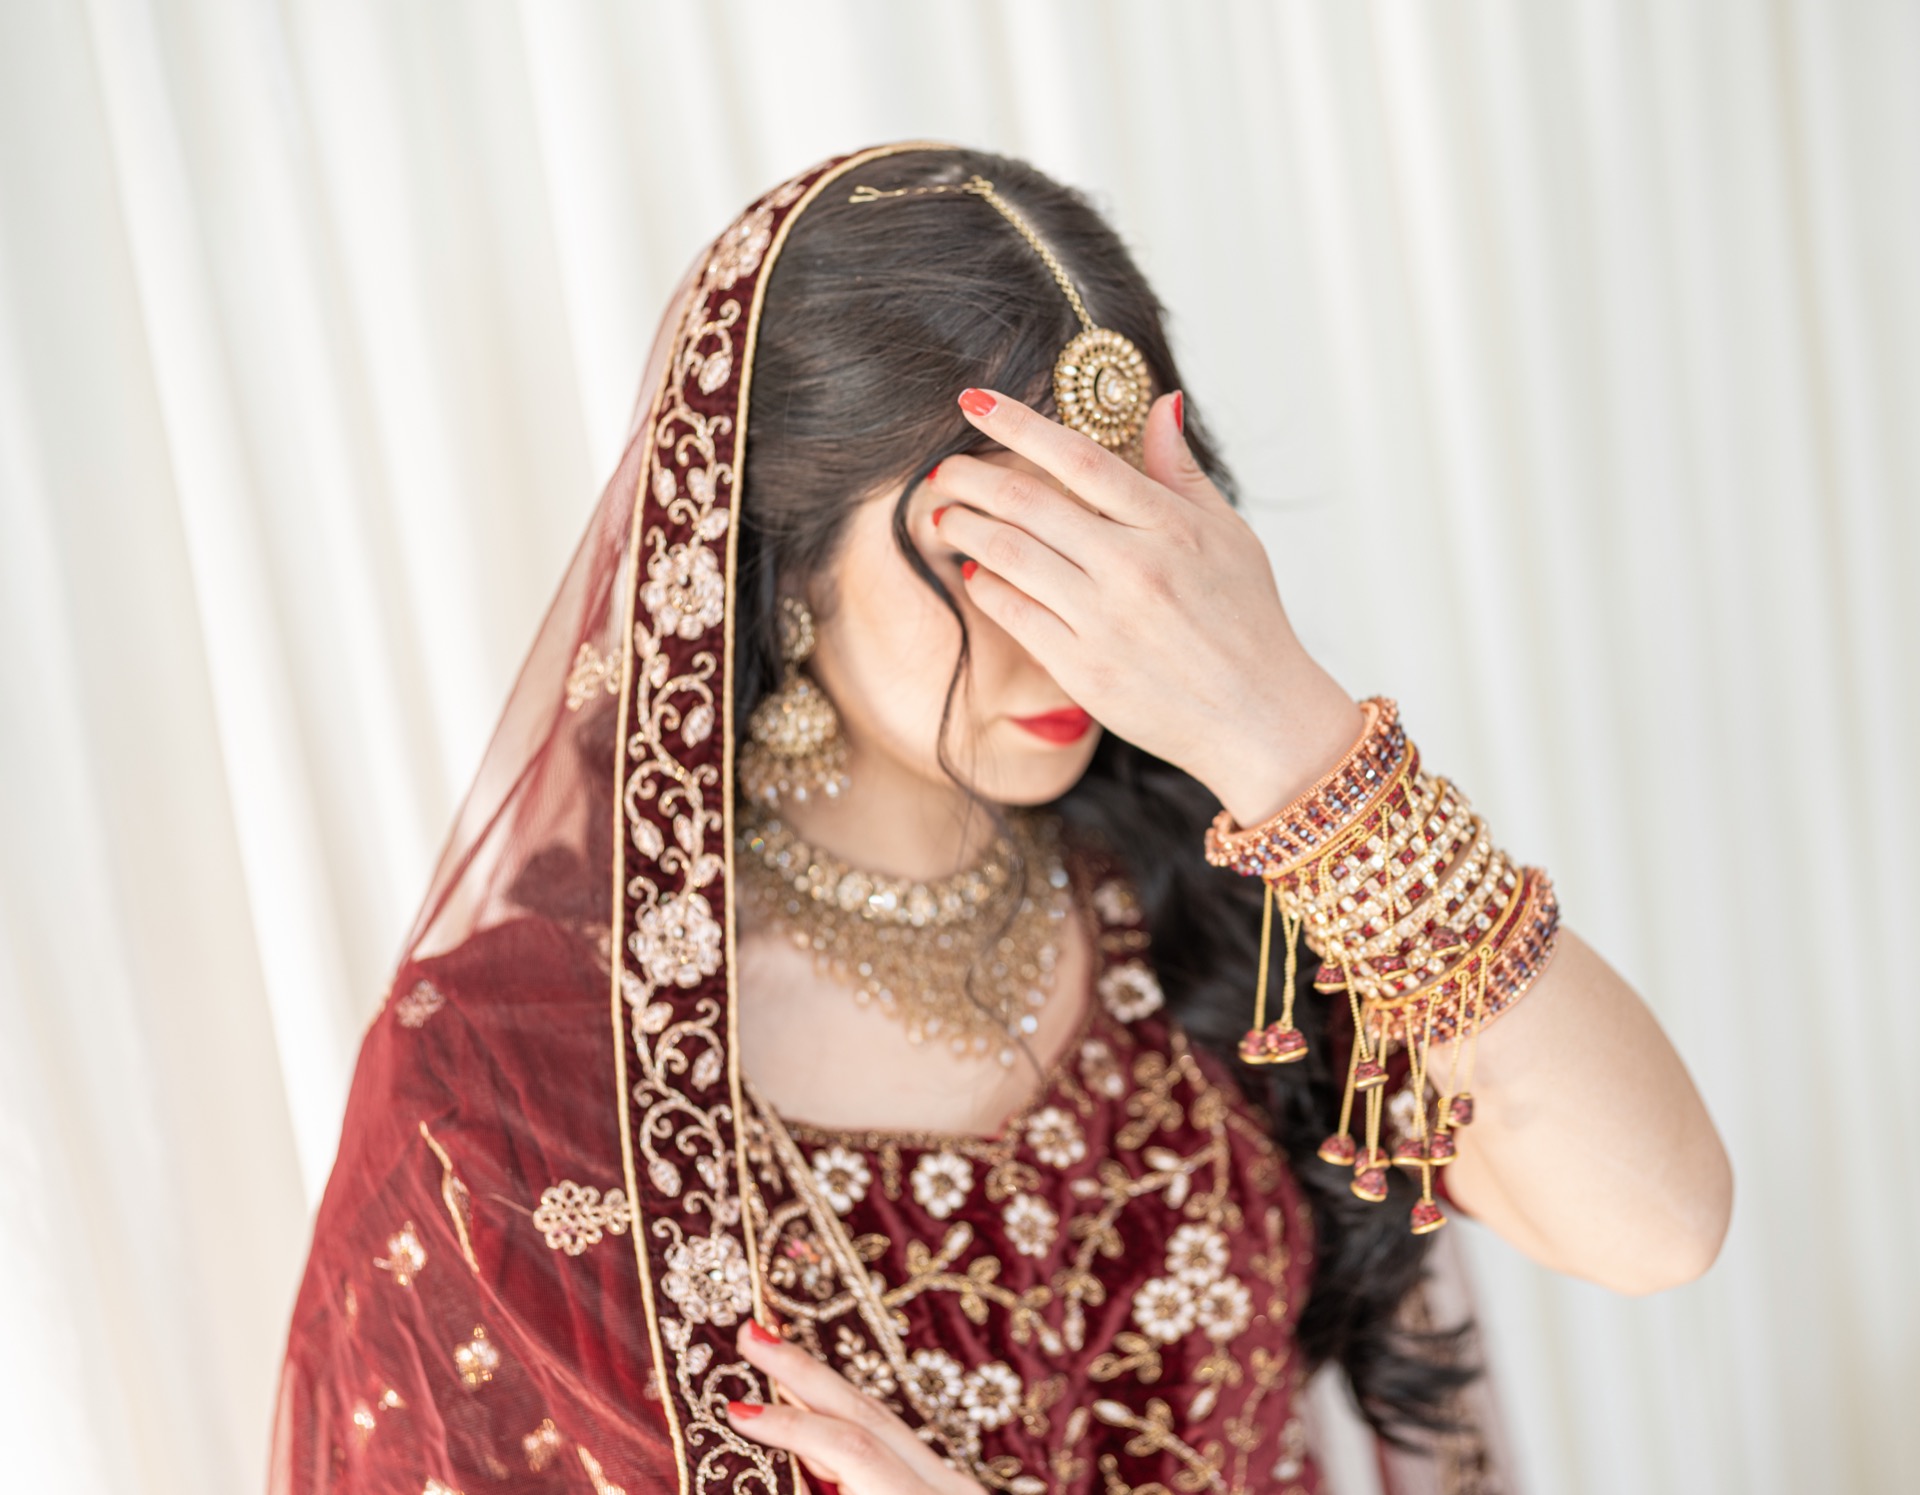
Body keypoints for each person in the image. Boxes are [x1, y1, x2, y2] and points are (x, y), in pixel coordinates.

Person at [272, 144, 1731, 1495]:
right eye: (991, 553)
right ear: (783, 561)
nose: (1078, 642)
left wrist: (1286, 726)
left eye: (1119, 547)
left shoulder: (1238, 897)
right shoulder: (512, 1084)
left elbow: (1660, 1223)